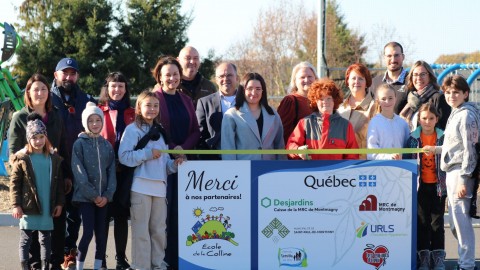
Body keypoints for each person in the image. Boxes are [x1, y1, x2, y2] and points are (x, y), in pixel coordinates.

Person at [8, 73, 70, 270]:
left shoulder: (56, 115)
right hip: (30, 182)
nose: (40, 93)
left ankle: (54, 263)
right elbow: (13, 153)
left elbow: (63, 146)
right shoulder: (19, 118)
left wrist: (67, 175)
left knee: (56, 224)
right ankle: (34, 265)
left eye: (44, 89)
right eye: (35, 89)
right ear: (28, 92)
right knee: (33, 231)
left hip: (54, 178)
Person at [118, 91, 184, 270]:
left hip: (160, 189)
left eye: (156, 106)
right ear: (139, 107)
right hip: (140, 187)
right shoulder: (132, 129)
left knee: (158, 231)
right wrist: (147, 154)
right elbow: (123, 156)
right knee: (141, 232)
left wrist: (175, 165)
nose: (152, 109)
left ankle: (157, 265)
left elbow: (164, 165)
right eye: (148, 105)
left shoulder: (162, 131)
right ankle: (140, 266)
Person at [152, 56, 200, 269]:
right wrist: (173, 148)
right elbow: (157, 129)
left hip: (184, 163)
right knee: (164, 216)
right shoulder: (154, 98)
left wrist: (183, 150)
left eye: (175, 74)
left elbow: (195, 131)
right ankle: (163, 259)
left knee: (182, 214)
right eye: (167, 75)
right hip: (163, 165)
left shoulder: (187, 100)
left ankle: (180, 258)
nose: (172, 78)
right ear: (160, 78)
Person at [50, 57, 96, 270]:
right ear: (56, 75)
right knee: (54, 212)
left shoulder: (86, 99)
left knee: (74, 215)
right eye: (64, 73)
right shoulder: (47, 98)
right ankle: (52, 254)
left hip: (79, 167)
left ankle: (69, 253)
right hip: (54, 165)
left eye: (73, 73)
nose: (69, 77)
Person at [10, 113, 64, 270]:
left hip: (47, 205)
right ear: (28, 139)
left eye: (41, 137)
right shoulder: (23, 159)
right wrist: (16, 205)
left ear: (46, 137)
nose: (38, 141)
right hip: (28, 205)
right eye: (34, 138)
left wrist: (59, 203)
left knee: (45, 239)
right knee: (26, 239)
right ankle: (25, 267)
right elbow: (15, 184)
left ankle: (45, 266)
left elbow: (58, 184)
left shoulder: (53, 158)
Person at [71, 102, 116, 270]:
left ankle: (98, 266)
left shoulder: (107, 146)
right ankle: (79, 265)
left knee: (102, 234)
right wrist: (93, 195)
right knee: (88, 232)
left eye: (98, 120)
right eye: (91, 121)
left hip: (104, 198)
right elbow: (79, 173)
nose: (95, 124)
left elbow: (111, 172)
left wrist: (107, 195)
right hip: (85, 198)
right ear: (85, 123)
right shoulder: (79, 144)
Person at [439, 75, 478, 270]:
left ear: (465, 93)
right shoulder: (456, 113)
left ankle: (467, 265)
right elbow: (454, 146)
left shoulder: (466, 116)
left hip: (460, 174)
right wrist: (435, 149)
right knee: (455, 221)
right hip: (451, 171)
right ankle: (466, 262)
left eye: (456, 92)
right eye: (448, 92)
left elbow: (470, 150)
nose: (451, 96)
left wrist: (464, 179)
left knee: (461, 222)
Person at [98, 72, 135, 270]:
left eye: (121, 86)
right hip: (103, 172)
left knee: (121, 216)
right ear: (107, 88)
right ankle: (100, 259)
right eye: (114, 85)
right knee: (103, 217)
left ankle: (121, 258)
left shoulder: (133, 113)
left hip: (125, 171)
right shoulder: (98, 111)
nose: (117, 89)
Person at [404, 103, 446, 270]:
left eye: (431, 118)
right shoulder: (412, 139)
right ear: (419, 120)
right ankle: (424, 257)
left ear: (437, 119)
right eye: (424, 118)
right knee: (422, 223)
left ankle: (438, 257)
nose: (427, 122)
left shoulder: (443, 137)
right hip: (419, 187)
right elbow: (407, 160)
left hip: (438, 186)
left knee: (437, 223)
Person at [286, 78, 359, 160]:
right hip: (311, 171)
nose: (325, 101)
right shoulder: (305, 123)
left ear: (334, 100)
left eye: (329, 98)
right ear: (315, 101)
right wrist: (298, 150)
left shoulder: (345, 126)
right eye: (321, 99)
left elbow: (352, 155)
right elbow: (290, 145)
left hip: (336, 172)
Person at [221, 72, 286, 160]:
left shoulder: (273, 114)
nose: (254, 92)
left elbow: (280, 146)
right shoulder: (231, 115)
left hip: (270, 169)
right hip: (243, 170)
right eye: (250, 88)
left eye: (258, 88)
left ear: (263, 91)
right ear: (243, 90)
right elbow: (228, 150)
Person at [196, 62, 238, 160]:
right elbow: (200, 134)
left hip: (244, 160)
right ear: (216, 80)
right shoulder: (204, 103)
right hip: (214, 161)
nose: (225, 79)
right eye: (221, 76)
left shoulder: (247, 102)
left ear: (237, 78)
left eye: (229, 75)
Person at [337, 63, 376, 159]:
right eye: (353, 78)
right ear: (347, 81)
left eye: (361, 78)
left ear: (367, 83)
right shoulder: (339, 107)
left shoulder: (375, 107)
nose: (356, 81)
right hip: (340, 164)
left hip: (364, 164)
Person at [400, 60, 450, 130]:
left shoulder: (439, 98)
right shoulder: (409, 98)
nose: (419, 78)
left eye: (423, 74)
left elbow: (444, 128)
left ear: (430, 76)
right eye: (415, 74)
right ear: (411, 77)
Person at [277, 62, 318, 144]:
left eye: (310, 76)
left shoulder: (321, 101)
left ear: (315, 79)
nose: (306, 80)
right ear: (295, 81)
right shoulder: (290, 101)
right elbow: (282, 134)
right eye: (302, 77)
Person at [367, 84, 410, 160]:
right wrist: (389, 157)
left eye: (390, 98)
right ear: (378, 101)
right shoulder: (374, 122)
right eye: (383, 99)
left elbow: (408, 146)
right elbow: (371, 151)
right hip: (381, 168)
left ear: (395, 99)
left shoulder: (402, 123)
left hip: (401, 168)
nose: (387, 101)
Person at [370, 41, 408, 114]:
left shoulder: (412, 81)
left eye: (396, 55)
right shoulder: (375, 82)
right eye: (389, 56)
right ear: (384, 58)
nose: (393, 60)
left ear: (403, 57)